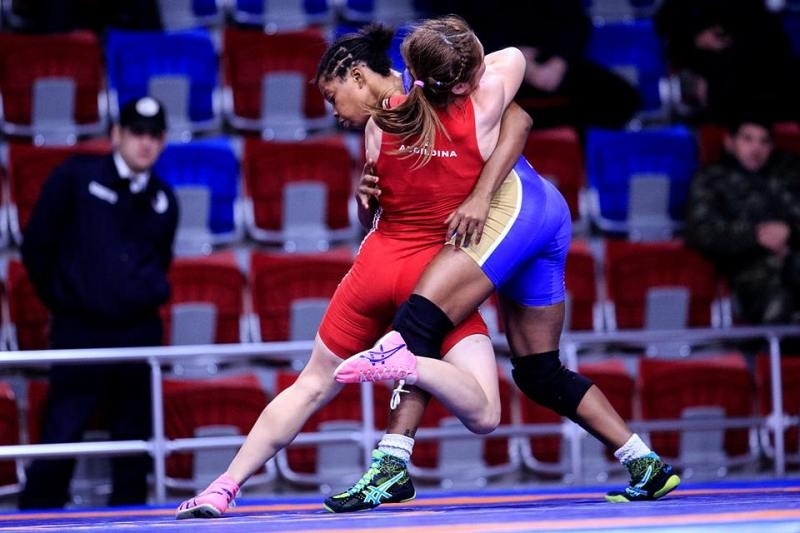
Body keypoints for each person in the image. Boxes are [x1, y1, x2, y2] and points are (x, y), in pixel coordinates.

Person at [174, 20, 532, 519]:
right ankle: (409, 364)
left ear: (359, 77)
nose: (334, 111)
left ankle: (223, 487)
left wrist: (365, 204)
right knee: (486, 412)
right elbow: (513, 62)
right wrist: (463, 70)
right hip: (438, 280)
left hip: (376, 270)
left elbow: (379, 215)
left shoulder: (376, 128)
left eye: (332, 95)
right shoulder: (476, 104)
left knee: (310, 385)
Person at [333, 15, 681, 506]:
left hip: (513, 212)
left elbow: (519, 120)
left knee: (418, 326)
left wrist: (479, 196)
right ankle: (644, 462)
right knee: (538, 371)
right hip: (545, 211)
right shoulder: (488, 76)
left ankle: (390, 466)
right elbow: (518, 112)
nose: (479, 72)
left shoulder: (459, 89)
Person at [18, 96, 178, 509]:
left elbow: (160, 261)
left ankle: (134, 525)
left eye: (154, 135)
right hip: (81, 330)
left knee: (134, 443)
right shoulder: (75, 177)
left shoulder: (164, 199)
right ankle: (34, 522)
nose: (145, 143)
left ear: (163, 140)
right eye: (137, 132)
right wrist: (67, 300)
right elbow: (37, 246)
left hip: (138, 334)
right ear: (117, 134)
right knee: (62, 432)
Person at [418, 0, 642, 131]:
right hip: (488, 67)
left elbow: (575, 20)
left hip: (551, 65)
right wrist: (513, 59)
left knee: (621, 99)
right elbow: (450, 27)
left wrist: (559, 63)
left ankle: (571, 158)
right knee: (442, 104)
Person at [684, 112, 800, 326]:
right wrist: (756, 236)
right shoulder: (711, 180)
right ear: (730, 142)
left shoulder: (789, 176)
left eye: (764, 141)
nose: (756, 148)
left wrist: (790, 231)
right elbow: (702, 232)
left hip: (794, 261)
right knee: (778, 309)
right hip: (748, 273)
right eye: (748, 139)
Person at [654, 0, 800, 125]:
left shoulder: (764, 26)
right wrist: (697, 39)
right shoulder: (688, 16)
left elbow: (778, 64)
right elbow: (664, 22)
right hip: (706, 84)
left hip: (751, 89)